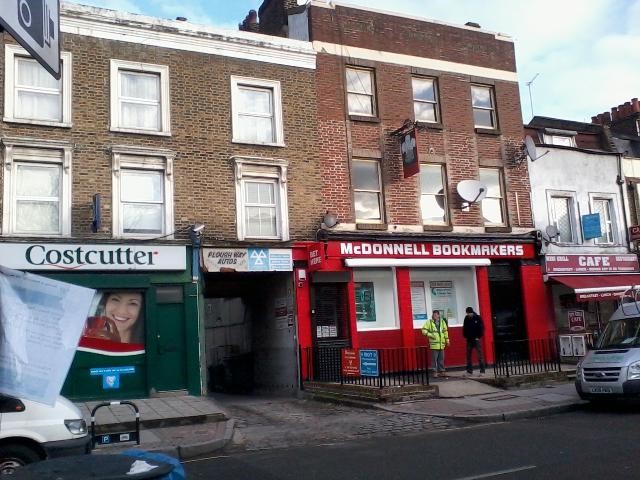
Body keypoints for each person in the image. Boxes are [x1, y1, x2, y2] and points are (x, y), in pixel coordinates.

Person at [422, 310, 449, 378]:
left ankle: (442, 371)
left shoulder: (442, 322)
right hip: (434, 344)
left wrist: (447, 340)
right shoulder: (429, 322)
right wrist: (430, 335)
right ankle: (435, 372)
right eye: (433, 315)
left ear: (438, 315)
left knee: (441, 359)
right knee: (434, 360)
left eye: (435, 315)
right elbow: (423, 330)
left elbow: (445, 331)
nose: (434, 316)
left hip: (441, 344)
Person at [463, 306, 485, 375]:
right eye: (467, 313)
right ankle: (469, 371)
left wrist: (478, 337)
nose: (468, 314)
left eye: (469, 313)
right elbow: (464, 328)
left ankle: (482, 371)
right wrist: (465, 336)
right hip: (469, 339)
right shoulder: (466, 318)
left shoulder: (478, 318)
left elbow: (481, 328)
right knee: (468, 355)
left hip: (476, 339)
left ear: (472, 312)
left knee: (479, 355)